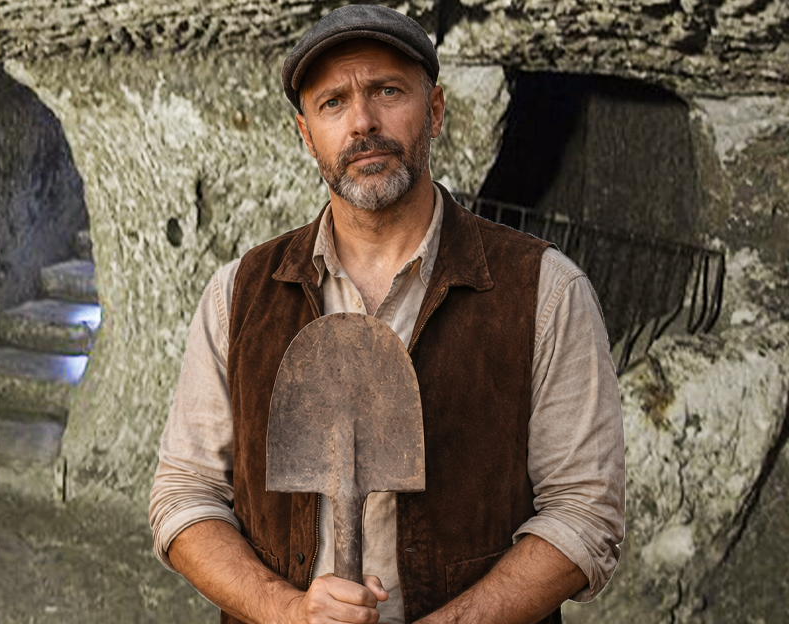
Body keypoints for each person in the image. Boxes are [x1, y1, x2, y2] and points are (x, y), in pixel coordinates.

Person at [148, 5, 625, 624]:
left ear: (435, 111)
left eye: (387, 91)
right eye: (333, 104)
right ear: (305, 133)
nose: (363, 122)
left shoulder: (546, 291)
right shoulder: (238, 295)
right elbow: (184, 498)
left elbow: (585, 513)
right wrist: (290, 612)